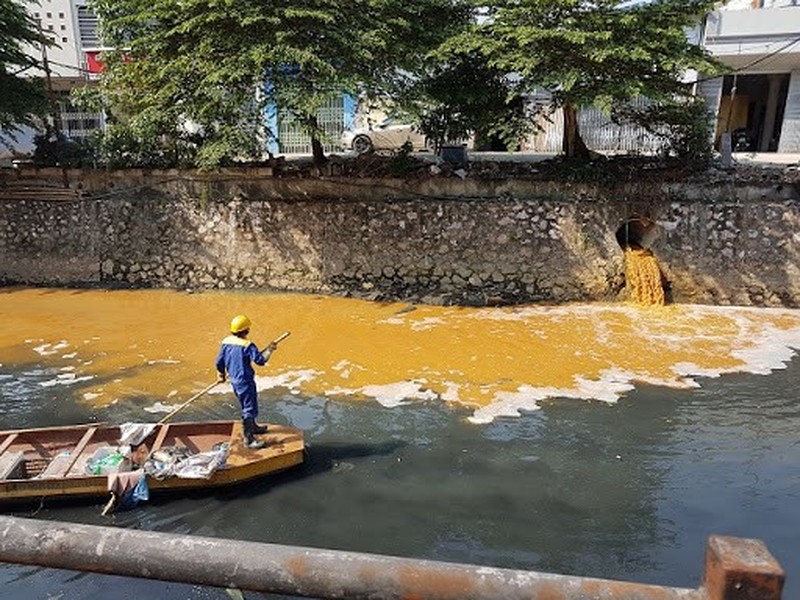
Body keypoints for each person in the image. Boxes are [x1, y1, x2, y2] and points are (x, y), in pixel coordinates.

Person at [215, 314, 278, 449]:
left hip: (235, 380)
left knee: (246, 404)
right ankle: (248, 439)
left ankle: (253, 427)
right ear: (247, 330)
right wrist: (270, 350)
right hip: (245, 381)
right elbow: (260, 361)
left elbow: (219, 361)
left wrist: (221, 374)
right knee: (249, 407)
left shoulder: (226, 342)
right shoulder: (248, 345)